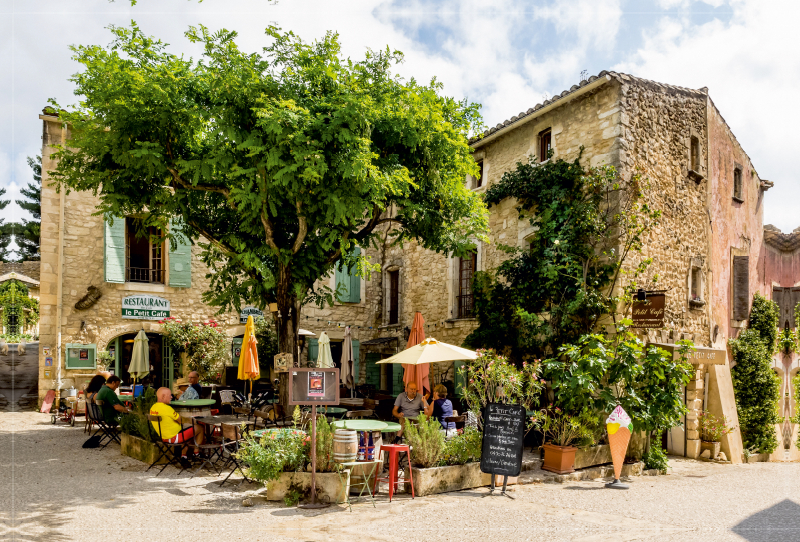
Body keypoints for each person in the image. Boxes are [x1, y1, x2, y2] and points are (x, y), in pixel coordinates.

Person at [149, 387, 196, 468]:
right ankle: (197, 453)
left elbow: (168, 420)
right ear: (163, 397)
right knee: (199, 427)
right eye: (170, 395)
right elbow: (180, 420)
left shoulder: (153, 408)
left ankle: (184, 457)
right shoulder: (167, 408)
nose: (171, 397)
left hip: (164, 438)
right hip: (175, 438)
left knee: (186, 431)